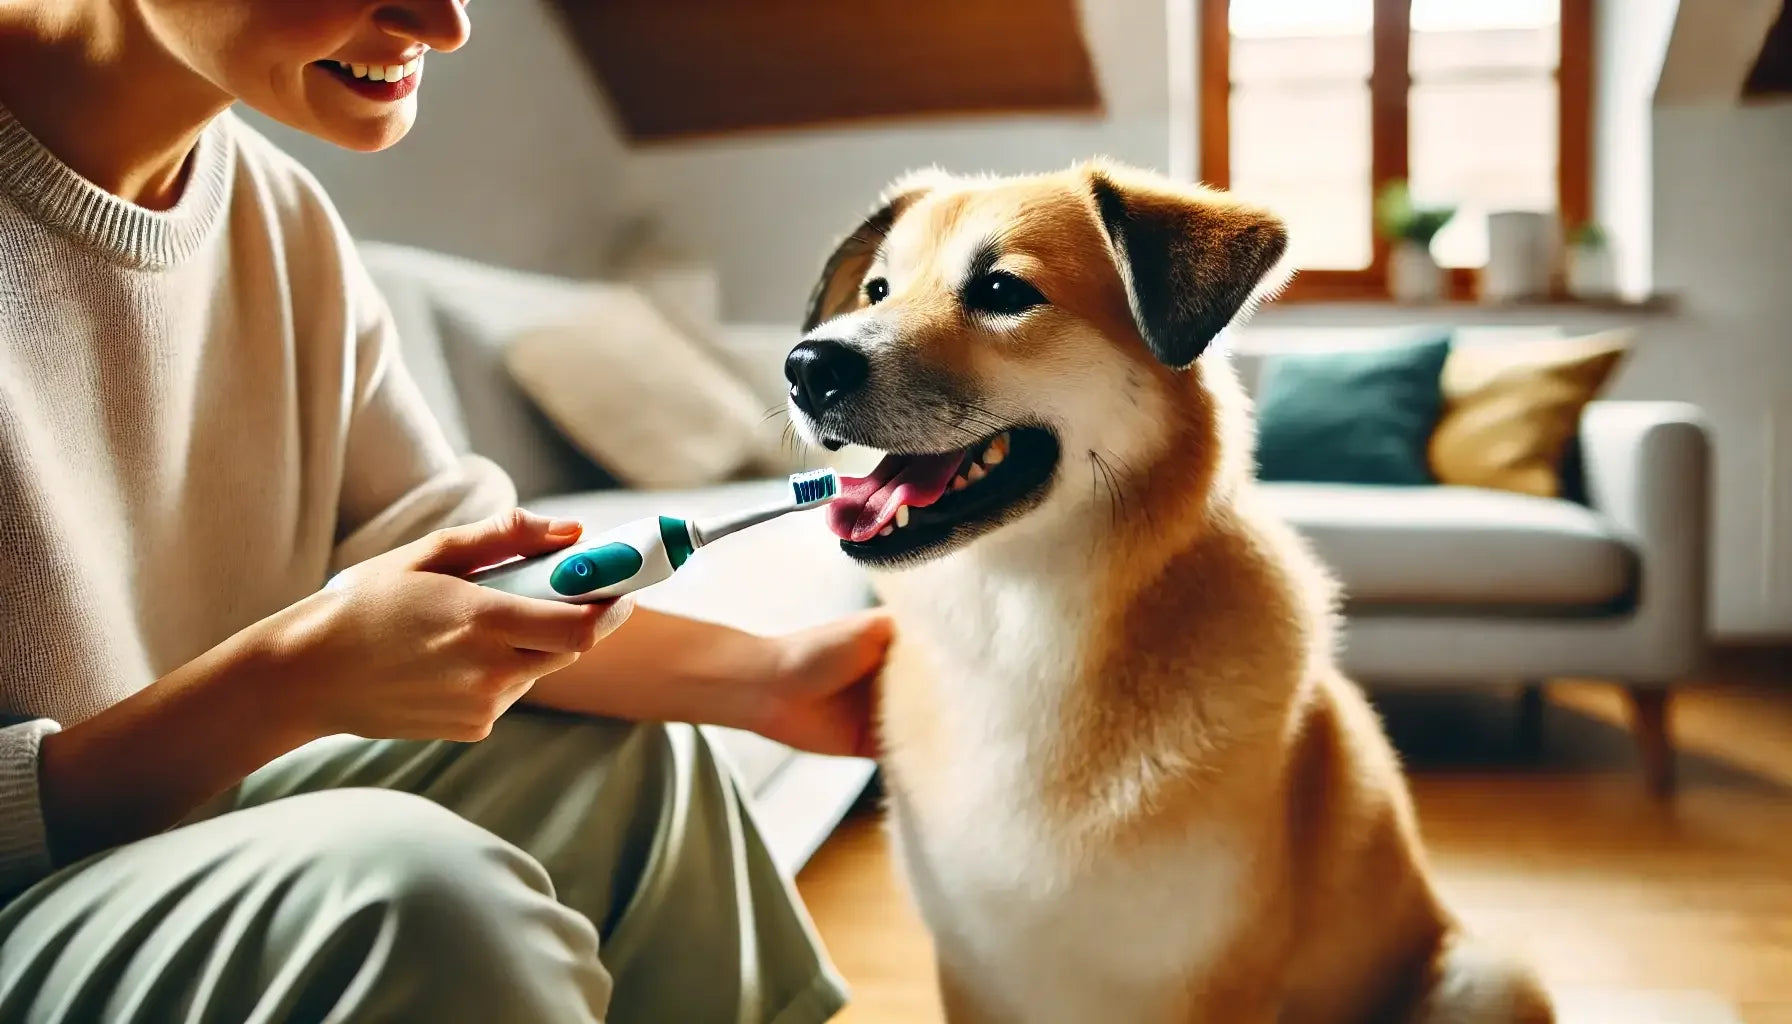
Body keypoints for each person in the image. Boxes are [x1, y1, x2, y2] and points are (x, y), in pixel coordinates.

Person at [0, 1, 890, 1020]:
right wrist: (291, 678)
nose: (446, 22)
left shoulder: (275, 210)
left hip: (153, 846)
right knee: (411, 894)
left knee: (627, 765)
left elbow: (459, 574)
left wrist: (772, 679)